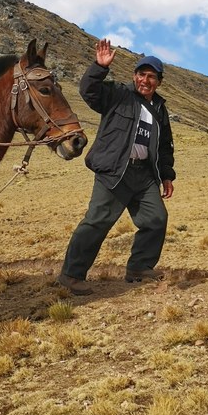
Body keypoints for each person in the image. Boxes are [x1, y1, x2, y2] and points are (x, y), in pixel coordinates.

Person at [57, 40, 175, 294]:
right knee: (97, 222)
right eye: (141, 74)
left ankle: (139, 268)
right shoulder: (118, 95)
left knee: (156, 219)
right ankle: (71, 275)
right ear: (134, 76)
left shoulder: (160, 109)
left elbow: (165, 146)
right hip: (115, 172)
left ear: (159, 82)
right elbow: (89, 91)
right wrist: (99, 67)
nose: (145, 80)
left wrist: (167, 175)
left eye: (151, 77)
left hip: (144, 175)